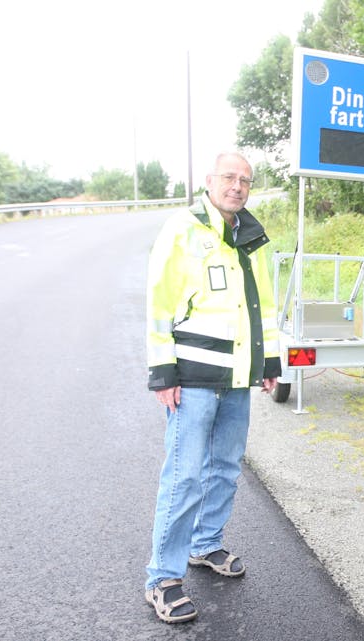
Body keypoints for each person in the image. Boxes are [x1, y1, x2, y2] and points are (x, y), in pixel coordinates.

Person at [143, 152, 281, 624]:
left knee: (224, 467)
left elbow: (264, 305)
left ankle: (204, 544)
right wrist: (162, 370)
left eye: (245, 180)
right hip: (193, 377)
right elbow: (159, 302)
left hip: (237, 377)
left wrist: (267, 360)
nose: (237, 186)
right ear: (209, 181)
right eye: (229, 177)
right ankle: (162, 577)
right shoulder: (183, 229)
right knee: (184, 476)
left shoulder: (252, 236)